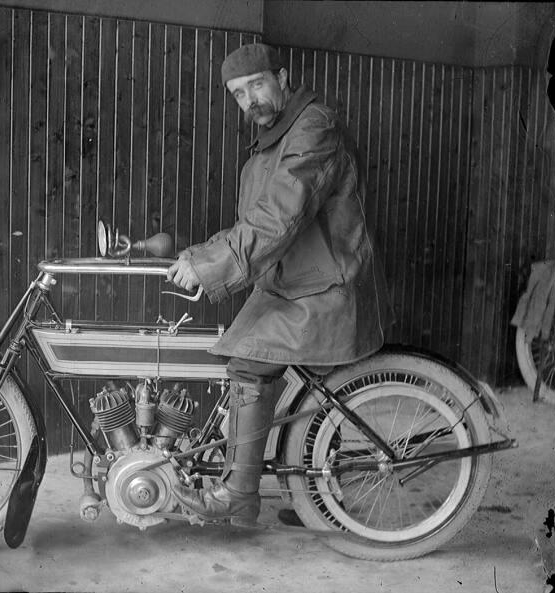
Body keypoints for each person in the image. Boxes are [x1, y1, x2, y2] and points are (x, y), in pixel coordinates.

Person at [167, 43, 392, 526]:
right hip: (293, 283)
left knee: (248, 363)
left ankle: (239, 496)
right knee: (250, 358)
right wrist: (199, 255)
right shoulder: (269, 145)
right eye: (238, 94)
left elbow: (278, 219)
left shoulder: (313, 128)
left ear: (283, 78)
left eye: (257, 85)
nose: (250, 99)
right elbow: (257, 222)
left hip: (322, 290)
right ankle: (306, 488)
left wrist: (213, 267)